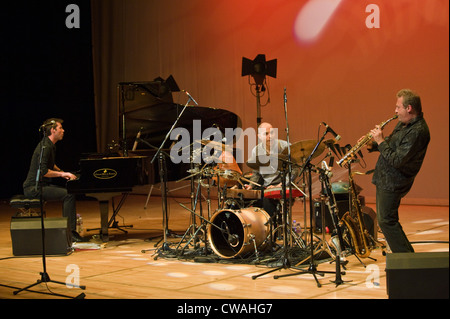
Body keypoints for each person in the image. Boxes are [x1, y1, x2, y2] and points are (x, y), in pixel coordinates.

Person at [368, 89, 430, 253]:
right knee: (386, 220)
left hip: (394, 181)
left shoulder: (417, 132)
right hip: (385, 178)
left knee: (387, 220)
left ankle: (406, 259)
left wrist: (380, 141)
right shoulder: (403, 124)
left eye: (398, 107)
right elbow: (392, 143)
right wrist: (374, 145)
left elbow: (397, 160)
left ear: (409, 108)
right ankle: (408, 259)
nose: (395, 111)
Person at [23, 118, 83, 242]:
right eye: (60, 128)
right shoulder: (45, 147)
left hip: (41, 186)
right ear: (52, 130)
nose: (63, 130)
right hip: (33, 188)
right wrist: (62, 175)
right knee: (68, 195)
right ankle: (70, 233)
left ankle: (70, 231)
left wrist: (63, 172)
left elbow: (51, 165)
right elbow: (44, 171)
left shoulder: (50, 145)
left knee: (69, 192)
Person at [245, 122, 298, 222]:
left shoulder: (285, 147)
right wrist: (251, 185)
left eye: (272, 133)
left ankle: (274, 229)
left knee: (267, 199)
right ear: (259, 136)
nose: (270, 136)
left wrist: (281, 184)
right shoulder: (256, 151)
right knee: (247, 198)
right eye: (266, 134)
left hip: (284, 185)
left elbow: (294, 169)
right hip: (267, 186)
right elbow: (256, 173)